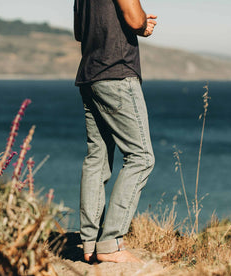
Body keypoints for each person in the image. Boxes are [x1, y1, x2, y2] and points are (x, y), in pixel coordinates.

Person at [74, 0, 157, 263]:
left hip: (90, 75)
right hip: (117, 73)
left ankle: (89, 243)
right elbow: (134, 19)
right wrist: (144, 24)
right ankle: (111, 244)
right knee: (141, 157)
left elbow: (79, 31)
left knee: (97, 159)